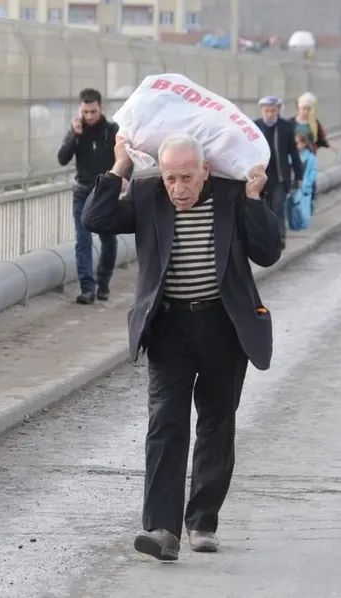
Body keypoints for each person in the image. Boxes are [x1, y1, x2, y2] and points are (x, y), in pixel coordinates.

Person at [81, 133, 282, 561]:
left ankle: (203, 520)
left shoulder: (231, 195)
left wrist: (253, 198)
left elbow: (268, 251)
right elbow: (95, 219)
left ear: (205, 170)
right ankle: (162, 529)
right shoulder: (148, 193)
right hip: (170, 326)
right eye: (171, 178)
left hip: (223, 325)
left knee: (216, 422)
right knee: (165, 424)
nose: (178, 188)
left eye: (187, 177)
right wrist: (120, 167)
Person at [56, 88, 121, 304]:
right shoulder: (77, 131)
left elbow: (125, 158)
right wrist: (74, 136)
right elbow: (62, 159)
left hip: (106, 193)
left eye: (93, 111)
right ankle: (87, 288)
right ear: (80, 110)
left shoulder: (111, 131)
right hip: (83, 192)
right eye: (85, 112)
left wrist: (123, 180)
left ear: (101, 108)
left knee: (108, 241)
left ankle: (103, 283)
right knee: (82, 240)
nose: (89, 116)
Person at [253, 96, 302, 238]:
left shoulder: (286, 127)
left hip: (280, 176)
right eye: (267, 111)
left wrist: (299, 175)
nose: (269, 114)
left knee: (278, 207)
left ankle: (279, 237)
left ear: (278, 110)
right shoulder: (255, 126)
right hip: (261, 176)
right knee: (263, 208)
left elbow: (293, 152)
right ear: (262, 110)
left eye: (272, 111)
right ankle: (265, 237)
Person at [287, 133, 318, 231]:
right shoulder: (290, 156)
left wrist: (308, 183)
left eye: (297, 143)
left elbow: (313, 171)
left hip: (304, 186)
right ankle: (294, 224)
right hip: (292, 185)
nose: (296, 146)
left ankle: (303, 223)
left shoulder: (310, 157)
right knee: (291, 206)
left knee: (303, 207)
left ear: (304, 143)